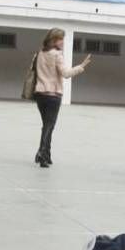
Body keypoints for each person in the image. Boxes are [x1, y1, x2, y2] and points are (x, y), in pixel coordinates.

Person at [32, 28, 91, 168]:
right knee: (49, 126)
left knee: (47, 125)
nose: (63, 42)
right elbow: (65, 74)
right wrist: (81, 66)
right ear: (54, 40)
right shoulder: (57, 54)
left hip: (40, 94)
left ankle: (46, 154)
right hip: (53, 95)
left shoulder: (40, 53)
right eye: (61, 39)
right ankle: (42, 153)